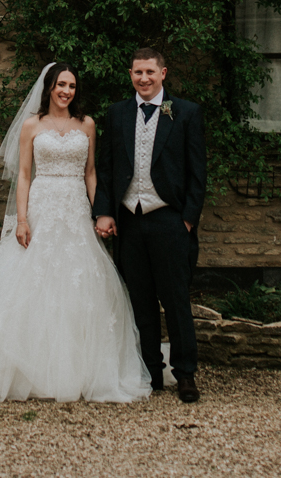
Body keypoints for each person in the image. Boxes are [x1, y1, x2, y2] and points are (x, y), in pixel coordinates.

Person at [0, 62, 151, 402]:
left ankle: (80, 368)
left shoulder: (87, 124)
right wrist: (21, 219)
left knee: (79, 282)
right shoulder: (32, 126)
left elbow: (91, 172)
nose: (66, 91)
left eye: (72, 86)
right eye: (61, 84)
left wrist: (100, 212)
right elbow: (23, 175)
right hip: (42, 206)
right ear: (49, 87)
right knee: (30, 281)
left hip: (76, 208)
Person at [93, 47, 207, 403]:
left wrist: (187, 219)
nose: (144, 78)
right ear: (131, 75)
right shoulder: (118, 113)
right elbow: (107, 167)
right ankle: (152, 373)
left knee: (175, 301)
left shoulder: (186, 113)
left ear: (163, 73)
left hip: (170, 220)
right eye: (137, 72)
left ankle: (185, 374)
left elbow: (197, 172)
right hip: (128, 221)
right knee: (140, 301)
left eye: (150, 72)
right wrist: (105, 211)